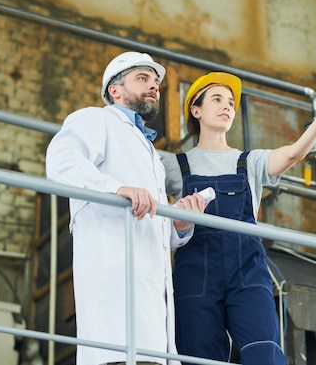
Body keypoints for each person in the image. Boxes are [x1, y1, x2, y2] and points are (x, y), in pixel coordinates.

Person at [163, 69, 316, 365]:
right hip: (196, 274)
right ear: (196, 109)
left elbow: (295, 153)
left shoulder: (250, 162)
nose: (227, 107)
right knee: (199, 357)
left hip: (246, 272)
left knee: (264, 353)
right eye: (217, 99)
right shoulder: (172, 166)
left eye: (231, 103)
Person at [45, 51, 207, 365]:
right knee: (119, 353)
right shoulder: (96, 119)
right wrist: (115, 188)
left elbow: (149, 223)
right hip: (116, 291)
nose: (153, 86)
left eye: (156, 82)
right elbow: (61, 161)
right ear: (114, 90)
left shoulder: (148, 151)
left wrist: (179, 225)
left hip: (151, 299)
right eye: (142, 79)